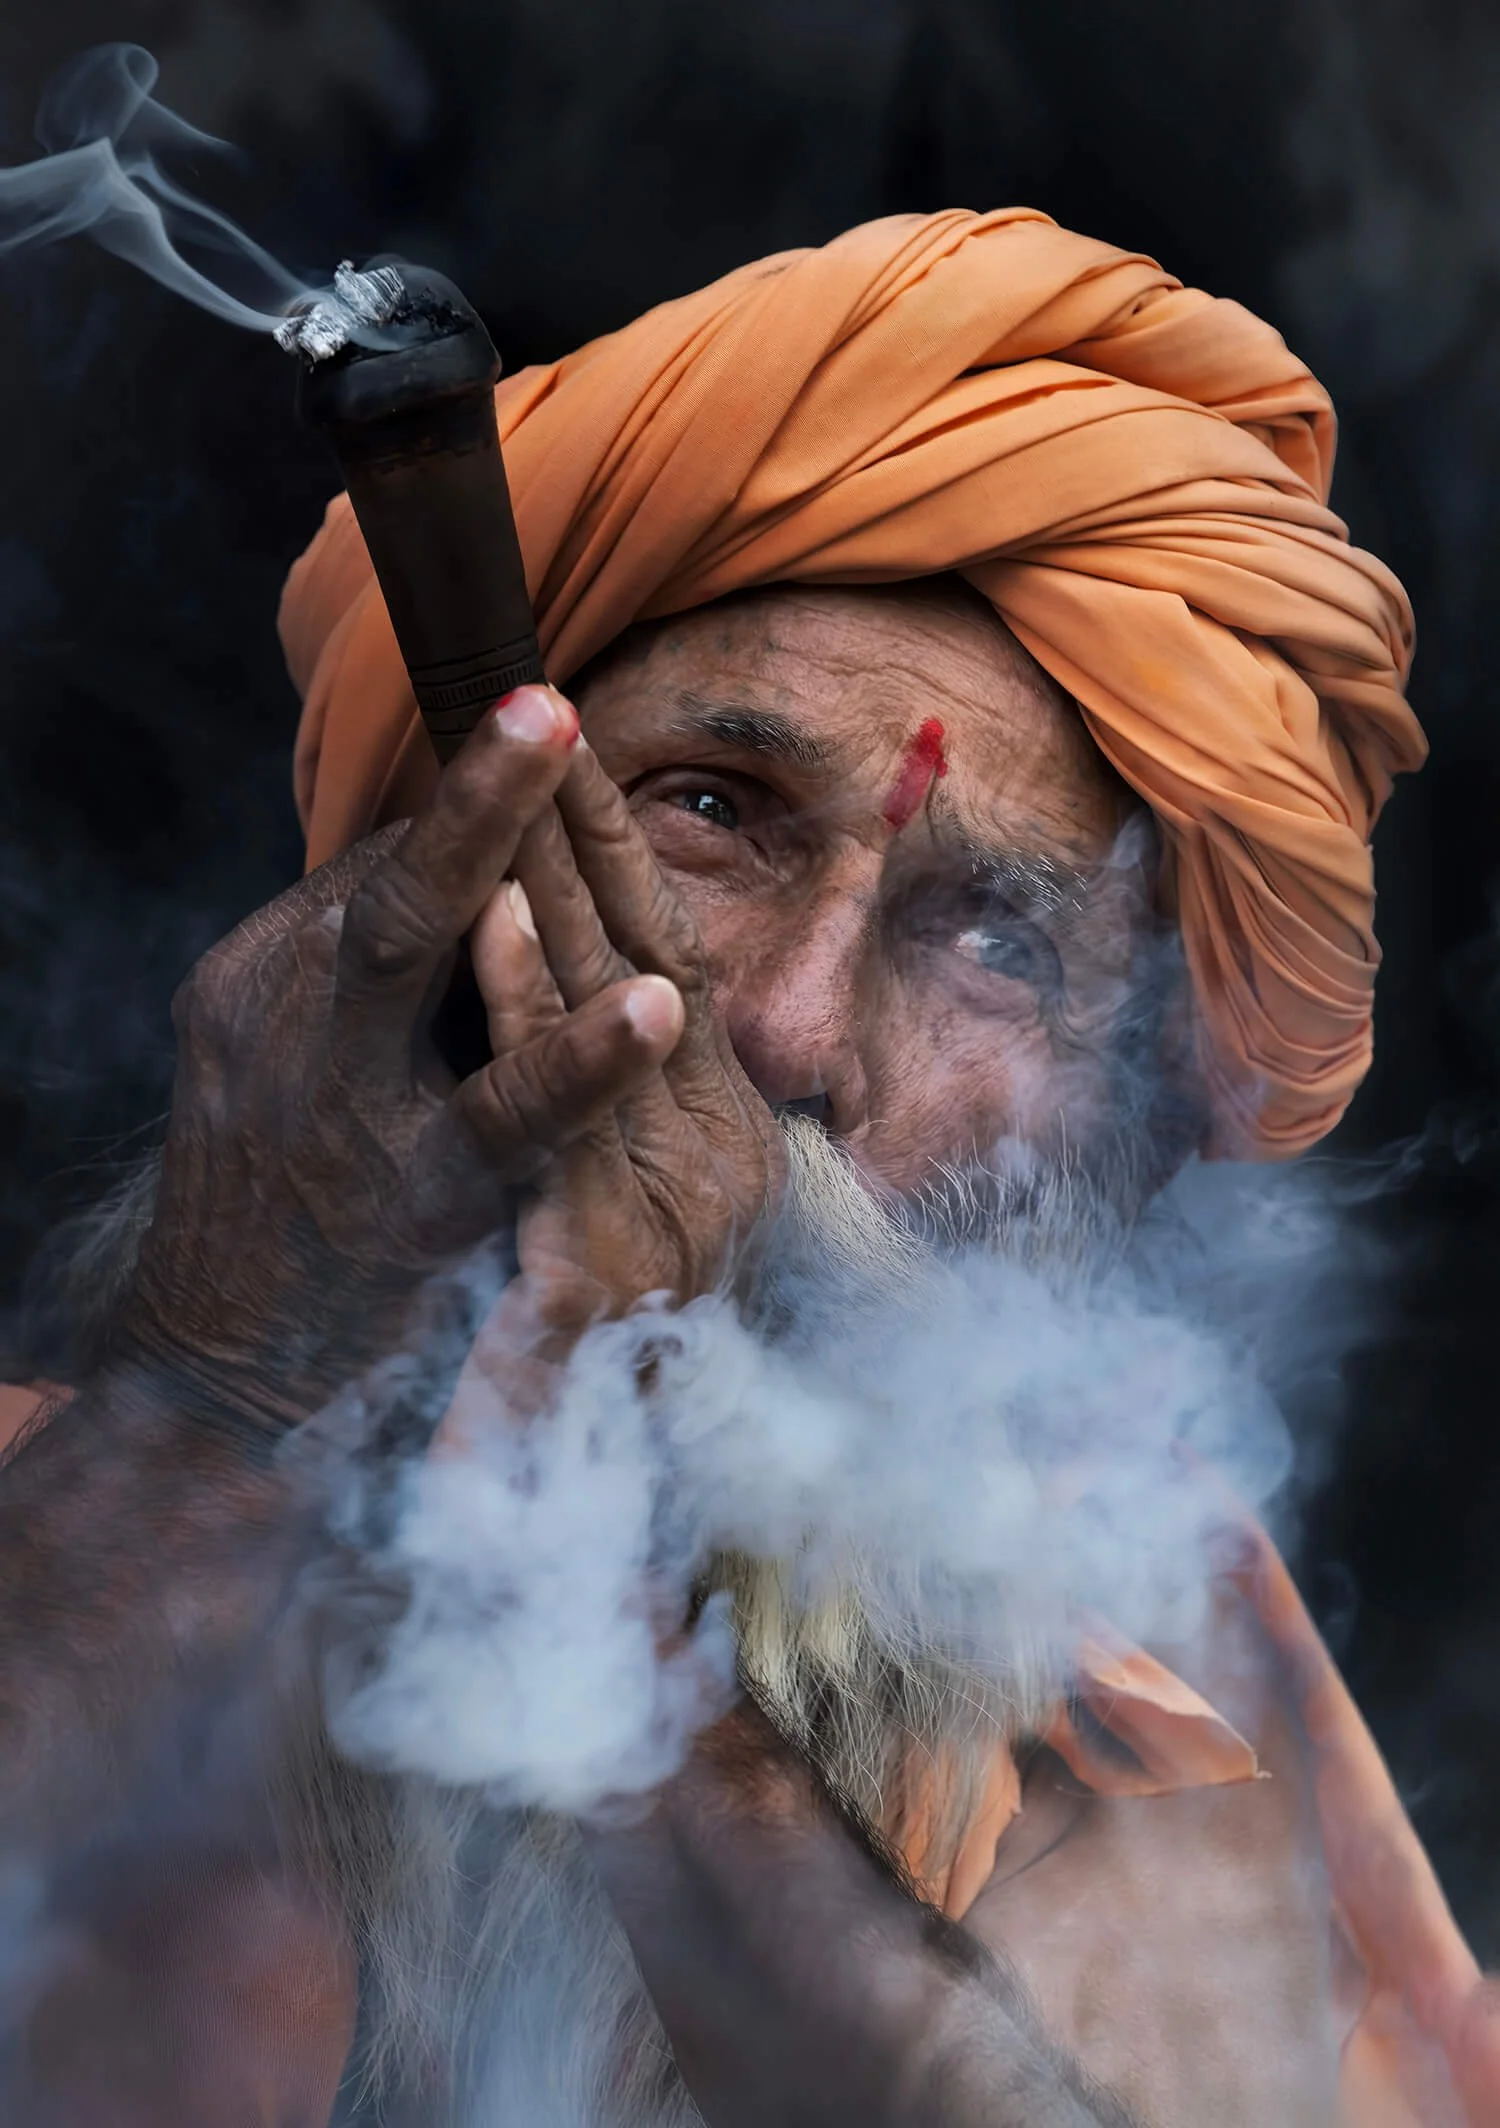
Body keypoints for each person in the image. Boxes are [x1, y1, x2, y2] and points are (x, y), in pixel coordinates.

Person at [0, 208, 1495, 2127]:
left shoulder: (1160, 1826)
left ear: (1116, 1160)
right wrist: (206, 1405)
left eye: (994, 941)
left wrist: (631, 1640)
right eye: (710, 812)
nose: (787, 1034)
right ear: (422, 883)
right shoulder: (56, 1518)